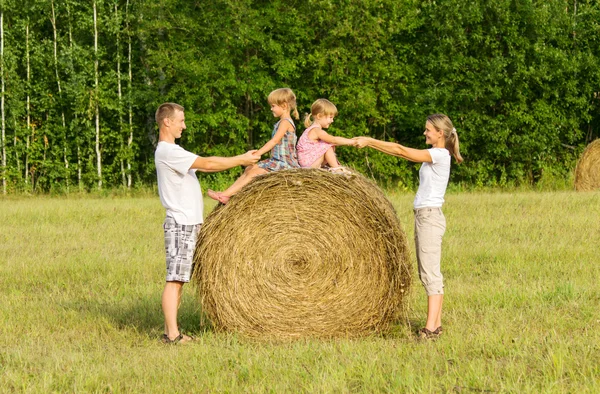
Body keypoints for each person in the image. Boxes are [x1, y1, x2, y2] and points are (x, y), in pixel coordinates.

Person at [154, 102, 259, 344]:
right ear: (167, 122)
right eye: (181, 121)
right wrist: (241, 159)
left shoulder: (172, 151)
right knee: (175, 279)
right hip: (180, 223)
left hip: (188, 223)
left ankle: (173, 331)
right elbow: (209, 164)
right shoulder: (169, 152)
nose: (184, 125)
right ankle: (171, 335)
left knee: (180, 280)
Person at [354, 113, 463, 340]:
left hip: (429, 218)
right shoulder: (437, 154)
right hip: (425, 216)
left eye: (428, 130)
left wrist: (370, 141)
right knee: (428, 271)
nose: (425, 133)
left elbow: (401, 151)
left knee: (429, 273)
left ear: (439, 134)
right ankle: (436, 323)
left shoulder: (439, 154)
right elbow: (400, 152)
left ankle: (431, 328)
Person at [207, 88, 300, 204]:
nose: (271, 109)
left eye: (273, 106)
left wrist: (258, 153)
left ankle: (225, 195)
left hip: (285, 163)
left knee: (254, 173)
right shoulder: (281, 122)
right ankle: (228, 194)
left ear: (284, 105)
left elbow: (274, 141)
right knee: (249, 168)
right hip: (276, 161)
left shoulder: (286, 122)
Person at [296, 98, 357, 170]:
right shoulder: (316, 130)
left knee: (326, 144)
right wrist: (351, 142)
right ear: (319, 116)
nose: (332, 121)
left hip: (308, 162)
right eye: (330, 117)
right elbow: (333, 140)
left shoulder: (312, 129)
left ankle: (332, 167)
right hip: (308, 164)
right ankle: (337, 169)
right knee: (327, 145)